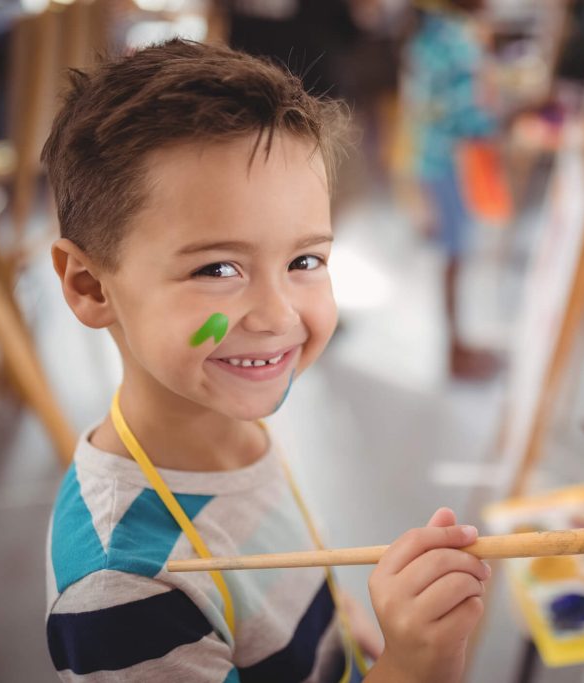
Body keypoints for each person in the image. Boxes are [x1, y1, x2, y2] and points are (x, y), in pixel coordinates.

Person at [44, 39, 489, 682]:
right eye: (217, 268)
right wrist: (414, 666)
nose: (279, 316)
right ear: (90, 285)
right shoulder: (121, 591)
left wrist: (354, 634)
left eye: (304, 261)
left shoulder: (229, 423)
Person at [404, 0, 501, 380]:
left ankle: (457, 344)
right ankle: (455, 350)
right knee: (455, 255)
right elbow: (466, 114)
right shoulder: (458, 40)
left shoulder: (428, 35)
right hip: (453, 162)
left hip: (431, 157)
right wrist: (507, 116)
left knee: (453, 254)